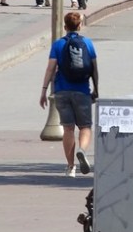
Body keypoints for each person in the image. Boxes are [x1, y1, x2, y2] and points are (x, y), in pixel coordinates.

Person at [40, 11, 98, 177]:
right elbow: (94, 68)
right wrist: (96, 89)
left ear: (65, 27)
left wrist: (44, 90)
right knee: (85, 126)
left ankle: (70, 167)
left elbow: (50, 68)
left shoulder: (58, 45)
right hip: (82, 90)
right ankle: (82, 150)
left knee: (68, 129)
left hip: (61, 91)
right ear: (79, 26)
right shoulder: (87, 43)